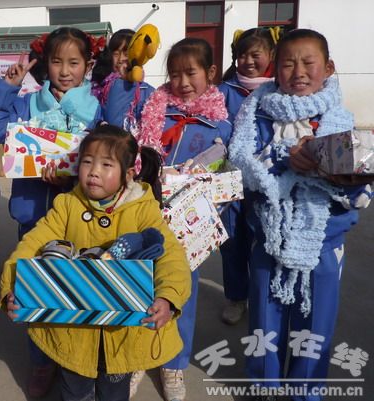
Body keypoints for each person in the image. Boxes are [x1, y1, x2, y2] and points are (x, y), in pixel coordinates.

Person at [229, 29, 372, 401]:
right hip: (270, 238)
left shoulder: (340, 121)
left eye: (309, 63)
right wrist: (285, 159)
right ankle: (263, 387)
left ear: (328, 68)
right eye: (288, 63)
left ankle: (305, 393)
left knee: (315, 325)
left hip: (323, 242)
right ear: (276, 70)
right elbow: (241, 165)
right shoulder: (257, 115)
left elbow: (359, 191)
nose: (299, 72)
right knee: (265, 320)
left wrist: (330, 167)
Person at [1, 125, 191, 401]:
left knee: (114, 392)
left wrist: (168, 297)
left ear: (128, 174)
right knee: (75, 391)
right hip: (74, 335)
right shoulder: (67, 205)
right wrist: (13, 284)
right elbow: (32, 243)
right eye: (87, 162)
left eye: (106, 164)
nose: (93, 171)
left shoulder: (143, 209)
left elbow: (171, 256)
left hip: (121, 336)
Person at [0, 27, 103, 397]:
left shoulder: (95, 109)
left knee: (78, 291)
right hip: (34, 217)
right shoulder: (28, 104)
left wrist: (70, 178)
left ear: (88, 65)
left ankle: (73, 361)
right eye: (57, 61)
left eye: (74, 62)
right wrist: (7, 87)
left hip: (81, 218)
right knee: (34, 292)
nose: (65, 70)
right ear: (46, 64)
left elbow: (109, 157)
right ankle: (41, 361)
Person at [123, 37, 232, 400]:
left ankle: (174, 365)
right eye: (174, 74)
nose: (182, 82)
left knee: (181, 294)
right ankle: (141, 355)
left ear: (210, 73)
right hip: (150, 217)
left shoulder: (220, 125)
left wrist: (208, 216)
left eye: (191, 73)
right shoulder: (154, 111)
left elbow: (225, 183)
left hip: (190, 227)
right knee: (142, 289)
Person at [217, 27, 278, 326]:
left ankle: (264, 297)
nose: (249, 61)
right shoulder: (224, 91)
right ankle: (236, 297)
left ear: (271, 56)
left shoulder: (278, 92)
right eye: (242, 55)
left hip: (266, 185)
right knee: (232, 242)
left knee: (264, 241)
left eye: (256, 54)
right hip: (229, 183)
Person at [91, 28, 135, 101]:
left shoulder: (142, 89)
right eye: (116, 54)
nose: (120, 59)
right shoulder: (99, 85)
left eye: (126, 54)